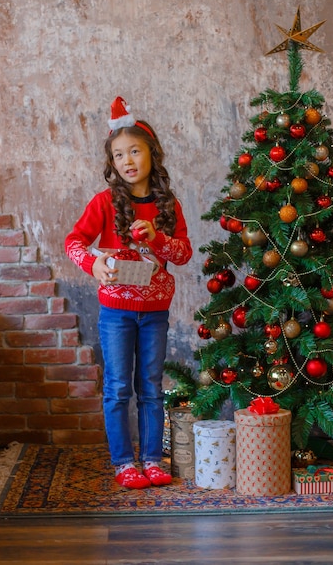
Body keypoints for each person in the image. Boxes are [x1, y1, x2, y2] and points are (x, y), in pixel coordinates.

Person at [65, 96, 193, 489]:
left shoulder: (167, 204)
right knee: (119, 388)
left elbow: (183, 253)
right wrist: (93, 264)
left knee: (151, 388)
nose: (127, 161)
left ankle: (153, 459)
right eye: (118, 154)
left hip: (155, 312)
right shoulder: (104, 203)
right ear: (112, 162)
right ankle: (124, 462)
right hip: (116, 313)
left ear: (151, 154)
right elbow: (74, 242)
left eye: (134, 151)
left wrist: (157, 239)